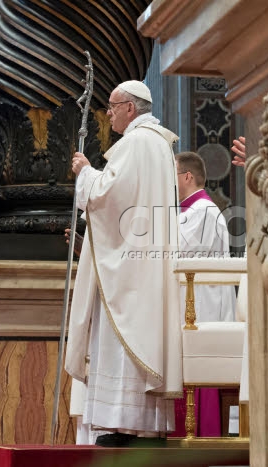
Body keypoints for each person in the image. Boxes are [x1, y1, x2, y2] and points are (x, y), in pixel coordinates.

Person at [64, 80, 182, 447]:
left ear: (131, 107)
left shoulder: (134, 144)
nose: (108, 114)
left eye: (113, 107)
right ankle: (146, 426)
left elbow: (106, 196)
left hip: (128, 271)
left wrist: (84, 171)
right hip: (144, 263)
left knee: (120, 337)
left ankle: (120, 422)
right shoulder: (159, 145)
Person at [172, 151, 237, 438]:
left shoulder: (203, 212)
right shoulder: (190, 212)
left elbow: (175, 253)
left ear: (187, 177)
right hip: (194, 307)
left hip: (202, 310)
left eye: (170, 175)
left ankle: (201, 436)